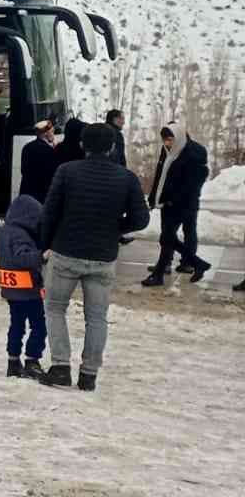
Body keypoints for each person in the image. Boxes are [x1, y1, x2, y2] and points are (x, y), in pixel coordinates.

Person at [38, 123, 149, 391]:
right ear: (112, 147)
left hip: (66, 252)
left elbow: (49, 213)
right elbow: (141, 219)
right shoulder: (127, 178)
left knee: (54, 309)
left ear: (82, 145)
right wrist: (115, 229)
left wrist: (45, 245)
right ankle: (89, 375)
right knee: (96, 317)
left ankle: (61, 368)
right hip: (103, 257)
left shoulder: (66, 171)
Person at [142, 120, 211, 286]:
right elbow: (161, 176)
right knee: (167, 238)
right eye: (164, 139)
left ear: (179, 135)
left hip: (183, 204)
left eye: (170, 138)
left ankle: (183, 265)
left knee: (173, 236)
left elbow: (193, 183)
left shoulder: (195, 153)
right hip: (169, 203)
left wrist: (173, 199)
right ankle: (194, 264)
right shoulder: (169, 151)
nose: (167, 142)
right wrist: (154, 198)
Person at [0, 194, 47, 380]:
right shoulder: (21, 235)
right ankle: (32, 359)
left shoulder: (3, 232)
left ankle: (13, 361)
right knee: (39, 325)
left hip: (11, 290)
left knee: (16, 325)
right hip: (27, 290)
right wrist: (42, 256)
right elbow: (22, 257)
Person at [18, 120, 57, 203]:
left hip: (26, 193)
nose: (54, 134)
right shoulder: (49, 151)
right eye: (52, 131)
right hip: (41, 196)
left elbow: (23, 170)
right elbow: (52, 175)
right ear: (46, 133)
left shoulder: (27, 147)